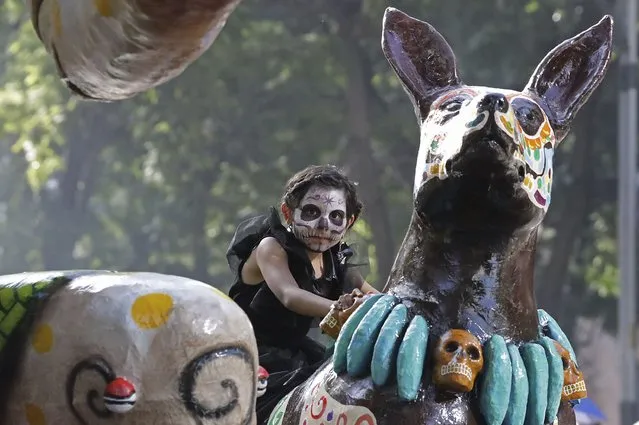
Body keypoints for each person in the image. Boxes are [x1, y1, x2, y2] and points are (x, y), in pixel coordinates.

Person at [226, 164, 378, 422]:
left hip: (296, 352)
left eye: (336, 217)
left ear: (349, 222)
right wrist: (341, 307)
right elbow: (289, 295)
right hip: (249, 351)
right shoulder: (271, 247)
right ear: (288, 212)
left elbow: (376, 296)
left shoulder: (337, 262)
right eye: (311, 212)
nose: (323, 225)